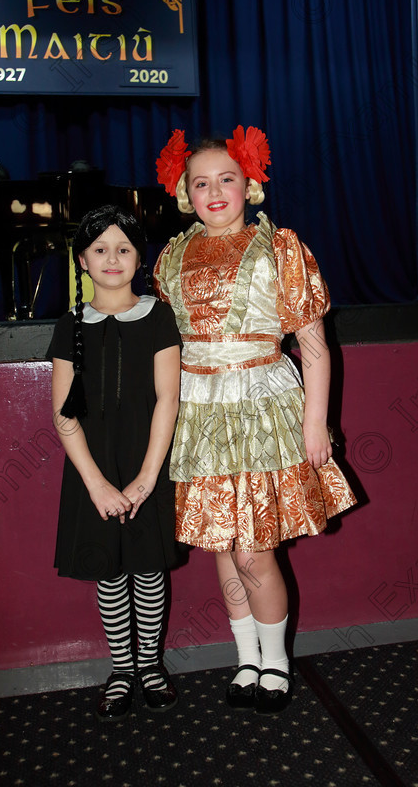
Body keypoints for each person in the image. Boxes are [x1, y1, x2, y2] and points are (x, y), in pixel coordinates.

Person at [153, 126, 356, 714]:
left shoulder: (280, 247)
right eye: (200, 183)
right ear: (183, 192)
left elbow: (313, 343)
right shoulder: (171, 256)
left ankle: (277, 662)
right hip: (200, 412)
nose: (214, 192)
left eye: (227, 179)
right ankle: (247, 660)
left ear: (250, 184)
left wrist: (316, 422)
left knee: (252, 551)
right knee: (223, 544)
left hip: (264, 408)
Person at [47, 204, 182, 722]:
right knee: (109, 574)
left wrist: (148, 478)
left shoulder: (159, 317)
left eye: (123, 248)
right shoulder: (69, 325)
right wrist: (98, 486)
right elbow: (64, 417)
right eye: (99, 249)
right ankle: (121, 669)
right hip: (94, 474)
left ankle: (150, 666)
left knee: (148, 571)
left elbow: (167, 399)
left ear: (138, 258)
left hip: (148, 466)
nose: (112, 257)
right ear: (82, 260)